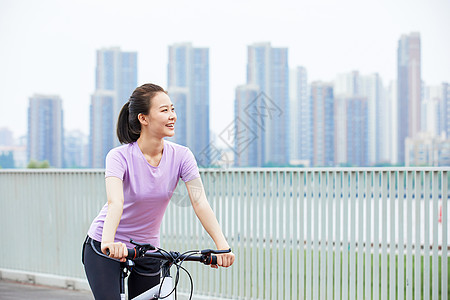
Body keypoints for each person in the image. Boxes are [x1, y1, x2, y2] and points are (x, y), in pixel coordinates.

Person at [82, 83, 235, 299]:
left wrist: (222, 246)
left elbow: (200, 202)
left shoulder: (182, 156)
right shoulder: (118, 157)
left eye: (172, 109)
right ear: (143, 118)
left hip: (148, 250)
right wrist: (108, 242)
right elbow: (115, 202)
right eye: (164, 110)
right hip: (105, 245)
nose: (172, 115)